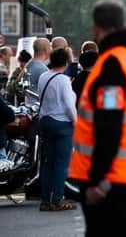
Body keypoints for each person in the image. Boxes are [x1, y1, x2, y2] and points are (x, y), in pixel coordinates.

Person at [69, 0, 126, 236]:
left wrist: (99, 180)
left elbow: (108, 125)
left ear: (96, 27)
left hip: (111, 181)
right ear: (123, 22)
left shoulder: (112, 65)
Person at [38, 47, 77, 212]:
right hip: (62, 124)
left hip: (45, 121)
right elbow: (69, 105)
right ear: (66, 62)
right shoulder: (63, 80)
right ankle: (57, 199)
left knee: (48, 162)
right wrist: (76, 122)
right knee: (61, 163)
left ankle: (45, 200)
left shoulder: (43, 76)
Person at [26, 38, 52, 106]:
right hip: (37, 107)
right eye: (50, 47)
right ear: (46, 49)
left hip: (28, 105)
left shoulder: (28, 64)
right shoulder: (42, 69)